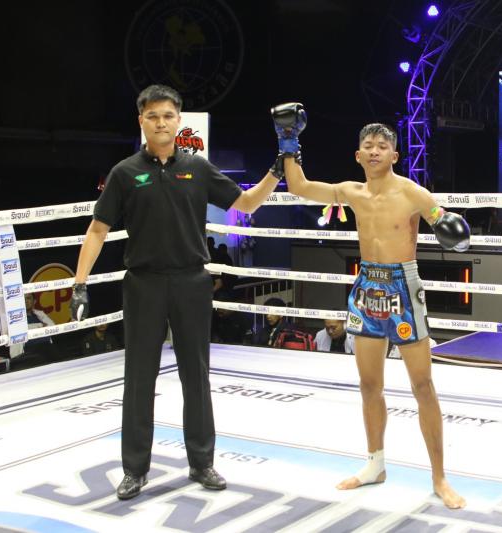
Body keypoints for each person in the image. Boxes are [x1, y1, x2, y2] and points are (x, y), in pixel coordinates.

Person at [70, 84, 282, 500]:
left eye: (168, 115)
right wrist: (79, 284)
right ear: (141, 121)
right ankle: (134, 469)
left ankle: (202, 462)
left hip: (191, 282)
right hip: (143, 283)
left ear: (178, 120)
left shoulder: (198, 168)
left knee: (196, 376)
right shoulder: (125, 172)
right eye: (153, 116)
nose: (161, 123)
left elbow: (247, 203)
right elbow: (97, 230)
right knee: (139, 378)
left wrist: (277, 169)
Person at [276, 102, 470, 509]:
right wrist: (288, 142)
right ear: (358, 155)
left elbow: (441, 217)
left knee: (423, 385)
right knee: (368, 385)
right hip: (367, 287)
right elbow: (299, 187)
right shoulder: (352, 192)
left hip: (403, 288)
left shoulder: (412, 192)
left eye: (383, 145)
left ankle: (439, 477)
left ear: (395, 155)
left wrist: (450, 226)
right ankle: (375, 465)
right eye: (369, 145)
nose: (376, 150)